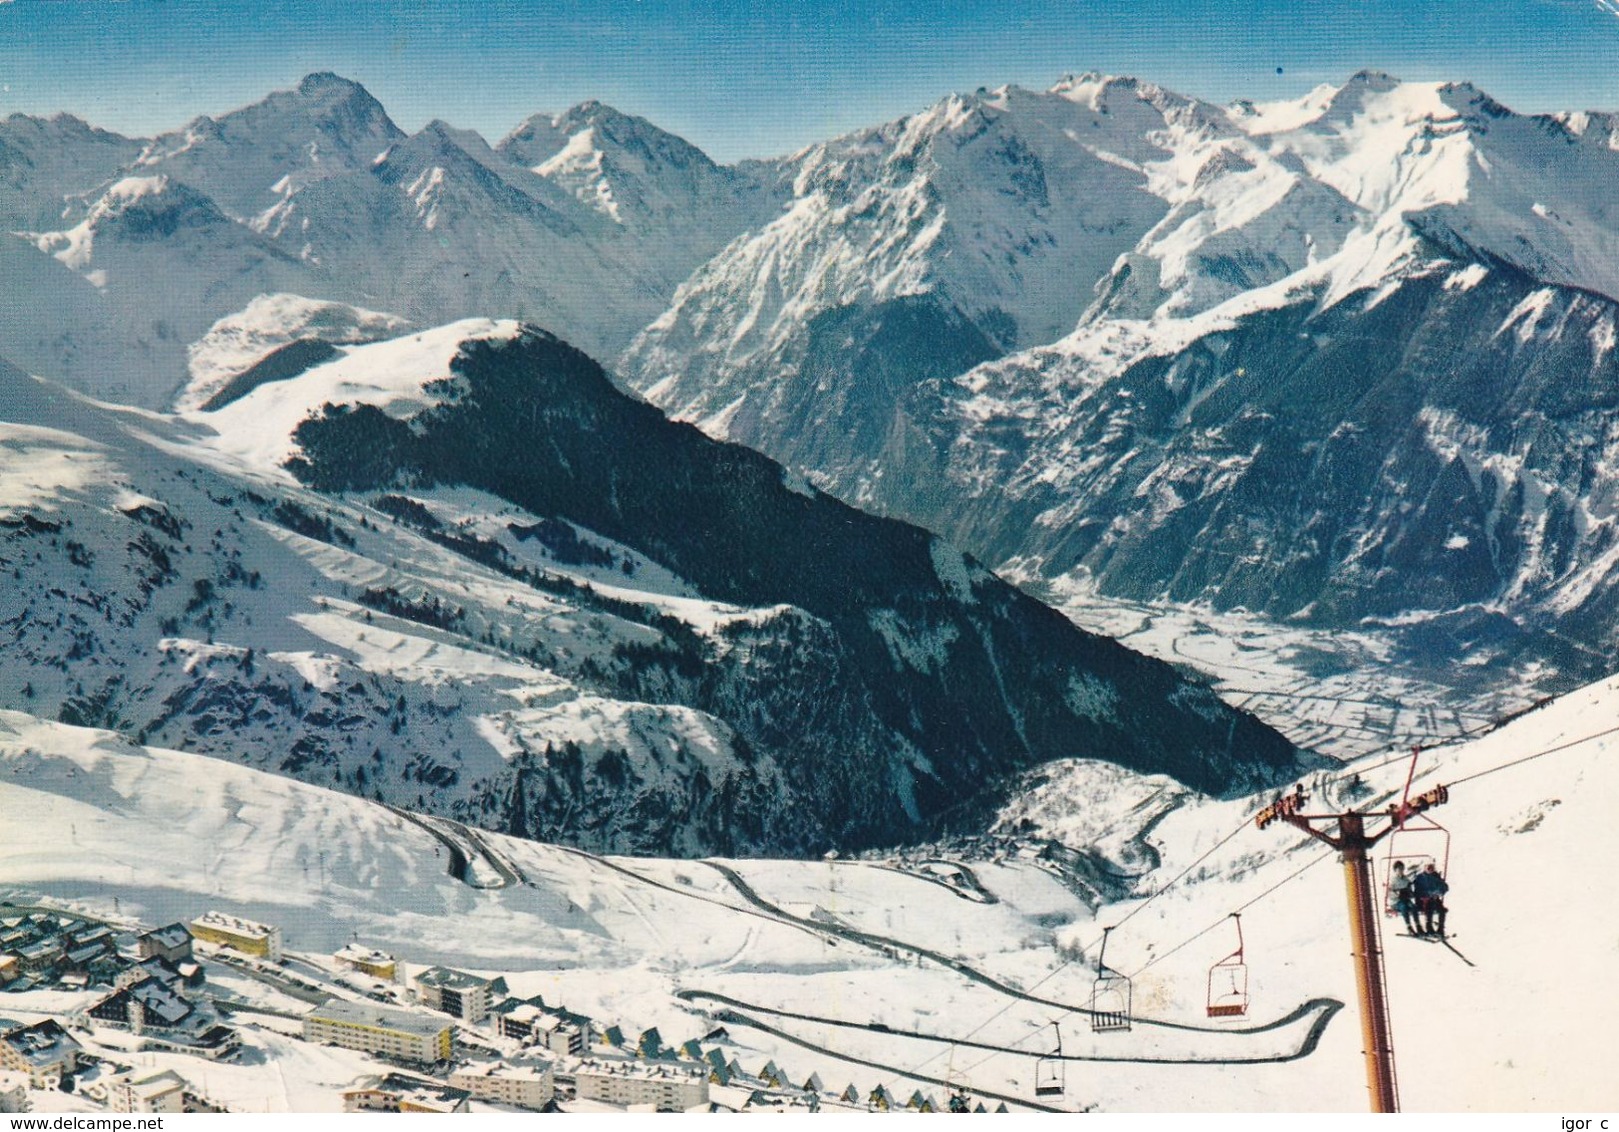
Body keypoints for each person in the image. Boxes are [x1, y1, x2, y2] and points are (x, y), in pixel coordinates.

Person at [1411, 863, 1449, 937]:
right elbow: (1417, 891)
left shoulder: (1436, 876)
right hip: (1423, 900)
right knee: (1430, 907)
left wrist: (1439, 892)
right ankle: (1429, 927)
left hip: (1434, 898)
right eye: (1428, 868)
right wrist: (1428, 894)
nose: (1430, 869)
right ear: (1425, 868)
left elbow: (1444, 887)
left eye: (1432, 868)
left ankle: (1440, 929)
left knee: (1442, 910)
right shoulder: (1420, 878)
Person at [1389, 861, 1421, 934]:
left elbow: (1409, 887)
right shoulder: (1392, 880)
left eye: (1402, 869)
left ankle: (1418, 925)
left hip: (1405, 899)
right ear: (1395, 870)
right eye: (1399, 869)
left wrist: (1410, 892)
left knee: (1413, 907)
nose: (1401, 871)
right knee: (1404, 907)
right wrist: (1397, 894)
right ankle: (1408, 926)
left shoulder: (1405, 879)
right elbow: (1389, 893)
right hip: (1396, 902)